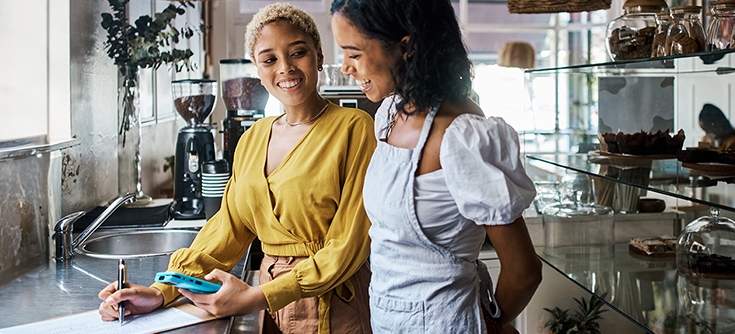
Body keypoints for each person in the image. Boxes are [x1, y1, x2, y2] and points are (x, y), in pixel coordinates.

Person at [98, 3, 376, 333]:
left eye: (297, 53)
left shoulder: (355, 128)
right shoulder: (253, 138)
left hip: (333, 309)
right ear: (256, 69)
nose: (285, 68)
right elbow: (227, 229)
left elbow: (349, 247)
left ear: (318, 55)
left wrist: (257, 297)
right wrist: (163, 291)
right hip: (267, 307)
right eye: (269, 59)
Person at [330, 0, 542, 333]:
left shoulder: (462, 134)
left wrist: (494, 322)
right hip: (386, 319)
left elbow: (524, 270)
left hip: (449, 322)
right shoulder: (388, 116)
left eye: (354, 54)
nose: (345, 67)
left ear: (406, 47)